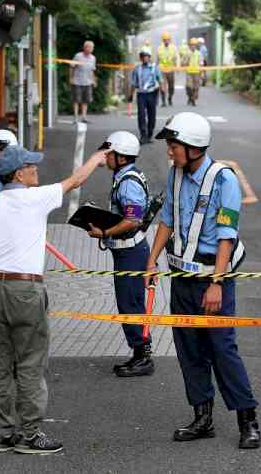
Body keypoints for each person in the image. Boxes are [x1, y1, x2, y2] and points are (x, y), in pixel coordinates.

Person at [0, 145, 110, 454]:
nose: (36, 170)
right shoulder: (36, 197)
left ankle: (2, 432)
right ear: (19, 173)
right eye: (31, 166)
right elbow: (75, 181)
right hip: (26, 291)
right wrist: (96, 159)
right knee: (30, 362)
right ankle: (29, 434)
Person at [147, 112, 261, 450]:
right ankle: (203, 417)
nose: (169, 151)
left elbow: (227, 234)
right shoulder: (175, 174)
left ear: (193, 147)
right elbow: (167, 219)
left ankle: (248, 419)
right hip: (181, 278)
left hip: (212, 279)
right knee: (189, 349)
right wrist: (151, 261)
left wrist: (217, 283)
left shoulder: (222, 180)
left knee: (222, 349)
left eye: (174, 145)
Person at [88, 131, 154, 378]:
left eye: (110, 152)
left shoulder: (127, 181)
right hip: (129, 252)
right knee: (130, 302)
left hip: (131, 253)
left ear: (122, 157)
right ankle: (139, 353)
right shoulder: (125, 175)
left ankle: (143, 357)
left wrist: (104, 232)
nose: (107, 156)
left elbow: (132, 220)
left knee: (131, 303)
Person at [130, 49, 163, 145]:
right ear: (140, 58)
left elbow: (160, 80)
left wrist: (163, 91)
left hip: (152, 94)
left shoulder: (154, 67)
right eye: (143, 56)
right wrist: (130, 95)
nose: (145, 58)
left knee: (152, 114)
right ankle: (143, 135)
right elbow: (133, 83)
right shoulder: (137, 69)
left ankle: (150, 134)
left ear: (149, 57)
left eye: (146, 56)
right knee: (141, 114)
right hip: (141, 94)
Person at [69, 41, 97, 124]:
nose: (91, 49)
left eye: (92, 47)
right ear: (85, 47)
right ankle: (75, 118)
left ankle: (84, 117)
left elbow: (92, 70)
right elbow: (71, 67)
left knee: (86, 100)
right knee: (76, 100)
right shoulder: (78, 56)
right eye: (89, 47)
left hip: (88, 82)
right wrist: (70, 78)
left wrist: (94, 80)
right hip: (77, 81)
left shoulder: (93, 58)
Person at [157, 32, 179, 107]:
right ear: (163, 40)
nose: (166, 41)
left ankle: (170, 97)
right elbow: (157, 60)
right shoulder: (159, 48)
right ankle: (163, 101)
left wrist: (177, 67)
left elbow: (177, 58)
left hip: (171, 70)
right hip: (162, 70)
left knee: (171, 87)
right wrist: (155, 69)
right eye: (165, 40)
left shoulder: (174, 48)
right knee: (162, 86)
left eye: (168, 40)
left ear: (170, 40)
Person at [185, 39, 203, 107]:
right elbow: (184, 63)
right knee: (189, 87)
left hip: (197, 73)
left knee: (196, 87)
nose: (193, 46)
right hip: (189, 73)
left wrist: (202, 72)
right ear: (189, 46)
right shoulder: (187, 53)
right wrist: (186, 61)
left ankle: (193, 99)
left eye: (194, 45)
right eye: (191, 45)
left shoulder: (199, 53)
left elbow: (201, 63)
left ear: (196, 46)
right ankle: (190, 97)